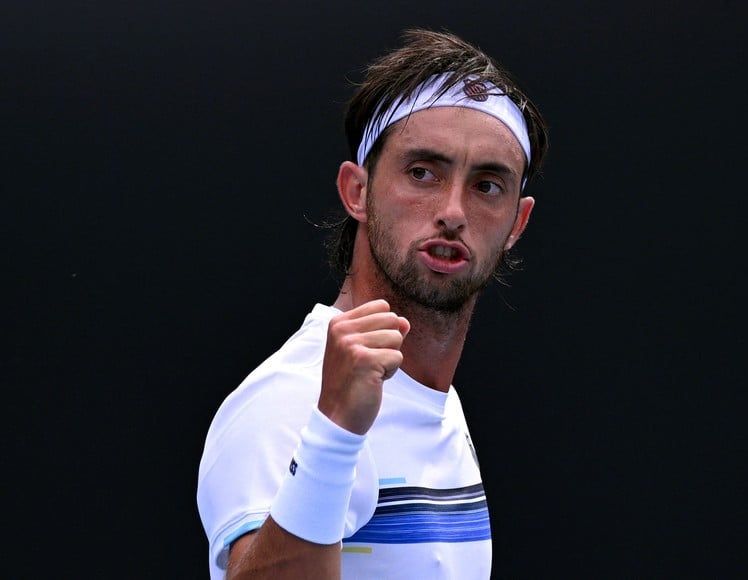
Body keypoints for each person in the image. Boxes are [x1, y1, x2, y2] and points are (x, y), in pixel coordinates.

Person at [196, 27, 549, 579]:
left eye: (487, 185)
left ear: (517, 224)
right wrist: (334, 432)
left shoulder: (437, 402)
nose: (453, 212)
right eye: (422, 173)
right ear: (356, 192)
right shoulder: (289, 400)